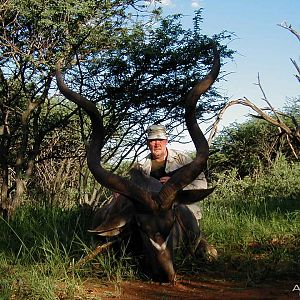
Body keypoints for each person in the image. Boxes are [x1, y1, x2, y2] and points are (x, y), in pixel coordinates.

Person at [136, 124, 217, 261]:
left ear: (166, 141)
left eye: (160, 140)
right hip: (153, 214)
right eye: (152, 140)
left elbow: (202, 183)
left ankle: (197, 243)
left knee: (204, 253)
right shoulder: (140, 165)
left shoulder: (182, 159)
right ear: (147, 143)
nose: (156, 144)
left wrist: (176, 185)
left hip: (179, 206)